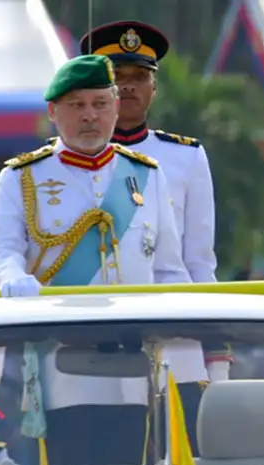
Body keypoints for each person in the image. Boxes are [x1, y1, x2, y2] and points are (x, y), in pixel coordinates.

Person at [0, 53, 202, 465]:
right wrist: (12, 275)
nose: (90, 116)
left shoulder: (146, 175)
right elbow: (0, 248)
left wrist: (188, 364)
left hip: (135, 369)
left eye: (100, 104)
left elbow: (169, 271)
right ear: (53, 112)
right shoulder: (23, 176)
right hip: (60, 368)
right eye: (77, 105)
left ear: (116, 107)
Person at [80, 20, 218, 286]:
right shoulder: (61, 157)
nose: (128, 86)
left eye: (140, 77)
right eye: (117, 76)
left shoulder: (187, 157)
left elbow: (199, 262)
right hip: (87, 302)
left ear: (154, 89)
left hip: (160, 302)